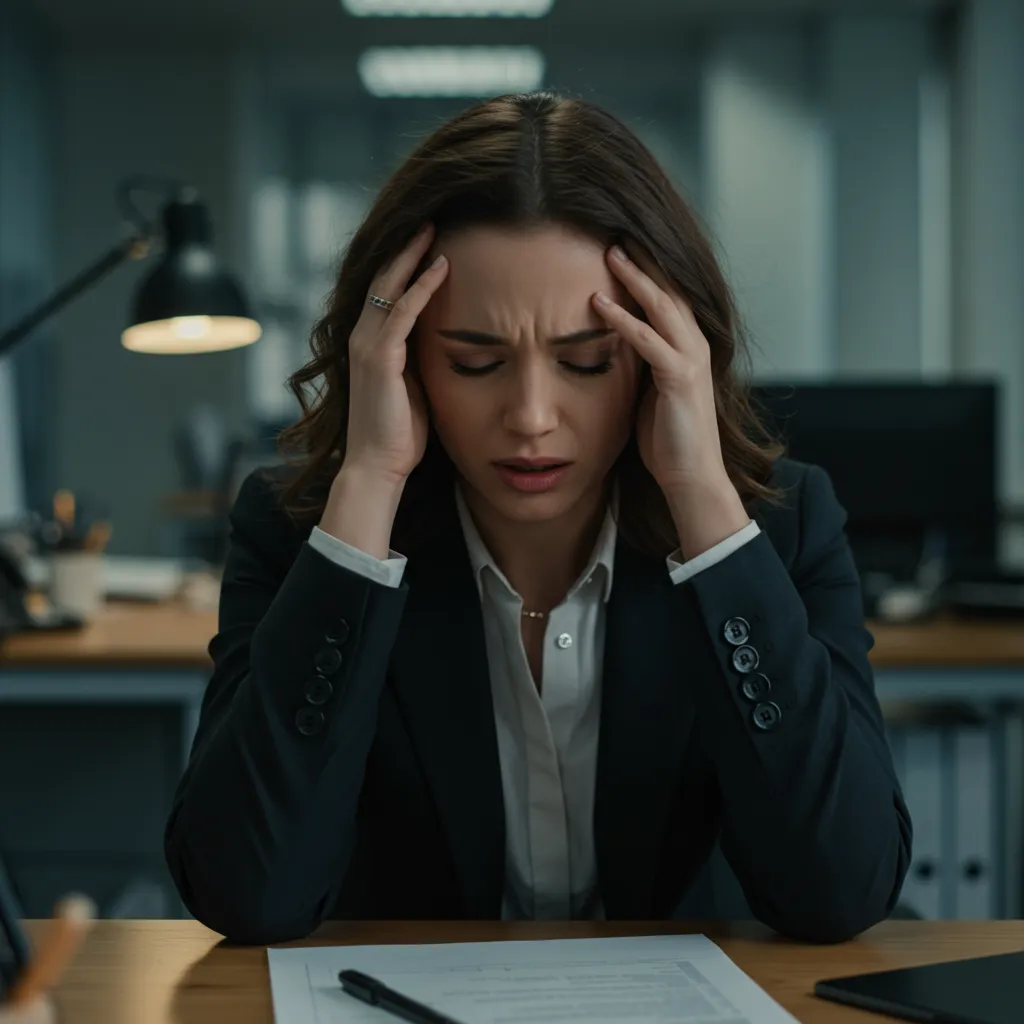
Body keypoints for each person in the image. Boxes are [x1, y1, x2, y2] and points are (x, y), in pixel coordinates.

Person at [164, 91, 911, 945]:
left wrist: (702, 497)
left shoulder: (777, 529)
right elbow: (246, 896)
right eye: (474, 361)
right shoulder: (305, 534)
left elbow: (841, 892)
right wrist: (369, 479)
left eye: (587, 363)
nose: (530, 416)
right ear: (397, 360)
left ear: (665, 356)